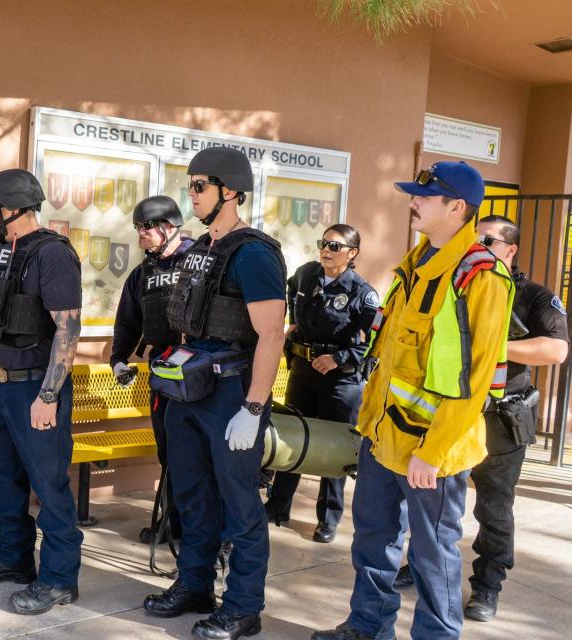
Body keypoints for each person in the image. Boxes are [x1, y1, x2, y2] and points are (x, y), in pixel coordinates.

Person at [311, 161, 515, 640]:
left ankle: (437, 635)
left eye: (424, 197)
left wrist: (434, 450)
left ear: (456, 207)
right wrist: (368, 426)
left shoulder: (480, 278)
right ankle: (367, 627)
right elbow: (389, 360)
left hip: (431, 453)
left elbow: (474, 380)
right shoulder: (415, 265)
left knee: (433, 555)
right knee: (373, 543)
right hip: (384, 440)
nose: (413, 202)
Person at [393, 214, 569, 622]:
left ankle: (488, 584)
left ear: (510, 249)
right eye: (474, 238)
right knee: (431, 500)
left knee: (492, 507)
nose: (477, 244)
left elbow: (556, 351)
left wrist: (494, 346)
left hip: (499, 417)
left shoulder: (533, 295)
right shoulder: (455, 281)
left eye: (487, 239)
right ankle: (420, 567)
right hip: (449, 410)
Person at [143, 147, 287, 640]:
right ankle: (195, 585)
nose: (192, 194)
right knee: (193, 496)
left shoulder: (254, 254)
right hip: (190, 391)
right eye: (191, 185)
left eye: (200, 185)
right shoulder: (203, 248)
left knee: (239, 504)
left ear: (231, 192)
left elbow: (271, 335)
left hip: (231, 396)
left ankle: (244, 607)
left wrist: (253, 408)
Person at [0, 168, 84, 615]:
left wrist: (49, 396)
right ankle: (14, 559)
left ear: (11, 209)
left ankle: (57, 579)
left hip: (35, 387)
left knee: (48, 487)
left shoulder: (52, 255)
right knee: (0, 479)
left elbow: (67, 330)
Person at [265, 224, 377, 543]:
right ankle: (277, 506)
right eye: (324, 243)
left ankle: (328, 518)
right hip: (303, 371)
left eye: (335, 246)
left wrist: (339, 359)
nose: (326, 250)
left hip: (341, 382)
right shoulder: (306, 274)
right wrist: (293, 324)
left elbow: (372, 343)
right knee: (292, 439)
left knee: (335, 448)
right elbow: (290, 291)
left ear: (352, 253)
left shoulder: (362, 292)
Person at [111, 195, 194, 544]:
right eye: (138, 227)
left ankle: (202, 533)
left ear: (169, 226)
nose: (140, 234)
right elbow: (127, 320)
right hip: (162, 373)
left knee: (196, 455)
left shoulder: (199, 262)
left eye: (146, 226)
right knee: (169, 451)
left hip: (200, 375)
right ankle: (172, 523)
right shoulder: (142, 274)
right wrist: (119, 358)